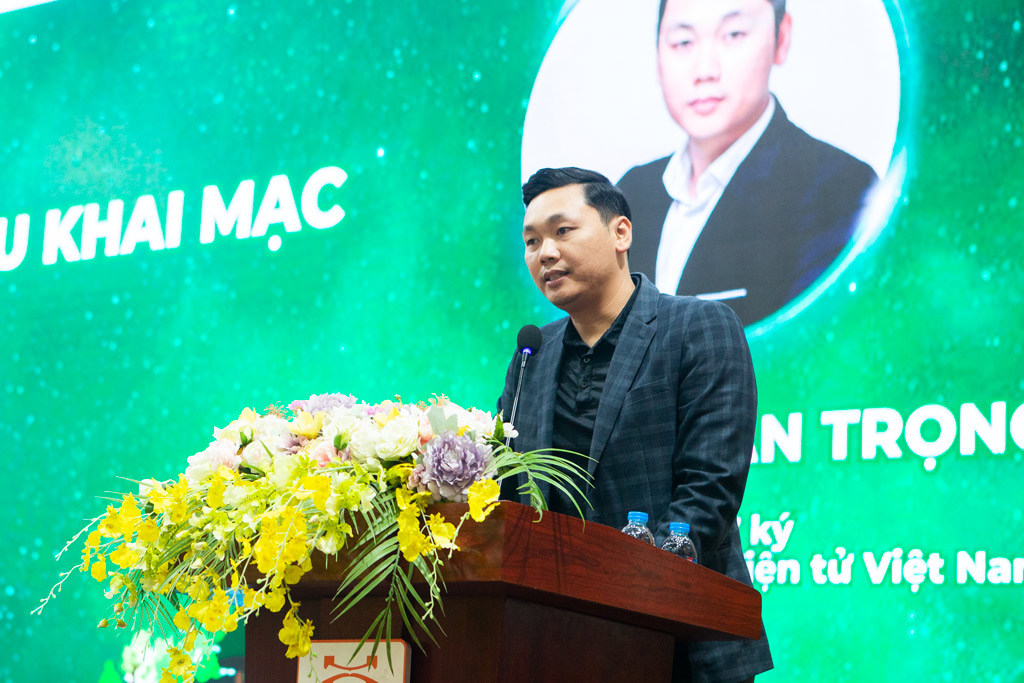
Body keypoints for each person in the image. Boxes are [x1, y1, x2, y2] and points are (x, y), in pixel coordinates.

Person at [498, 167, 772, 683]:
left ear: (620, 232)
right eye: (532, 241)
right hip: (551, 640)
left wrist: (628, 586)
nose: (545, 253)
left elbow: (710, 486)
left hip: (679, 641)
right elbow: (508, 488)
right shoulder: (532, 352)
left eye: (562, 231)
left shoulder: (698, 327)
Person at [618, 0, 878, 326]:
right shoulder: (630, 193)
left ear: (781, 39)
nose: (705, 70)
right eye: (683, 42)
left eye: (734, 34)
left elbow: (814, 341)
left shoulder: (838, 190)